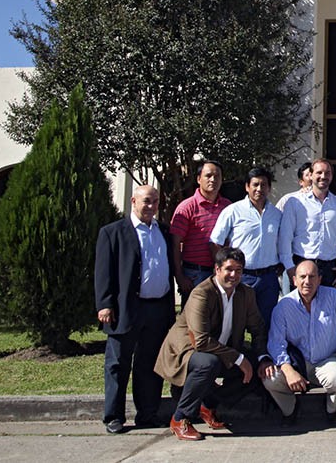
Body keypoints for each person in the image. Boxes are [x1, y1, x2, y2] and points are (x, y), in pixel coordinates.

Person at [154, 247, 267, 442]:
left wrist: (263, 359)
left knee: (259, 367)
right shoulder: (202, 293)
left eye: (238, 270)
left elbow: (258, 328)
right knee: (209, 363)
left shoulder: (246, 293)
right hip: (187, 352)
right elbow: (201, 341)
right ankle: (180, 418)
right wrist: (238, 358)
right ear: (217, 269)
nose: (234, 275)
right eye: (229, 269)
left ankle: (208, 404)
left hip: (221, 350)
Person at [94, 185, 175, 434]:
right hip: (126, 309)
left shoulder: (163, 231)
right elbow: (103, 271)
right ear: (133, 201)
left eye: (155, 202)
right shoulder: (113, 232)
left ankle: (147, 414)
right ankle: (113, 416)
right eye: (147, 201)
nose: (151, 206)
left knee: (149, 364)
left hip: (157, 308)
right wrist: (105, 304)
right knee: (118, 364)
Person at [262, 260, 336, 427]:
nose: (307, 281)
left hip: (326, 360)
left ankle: (331, 409)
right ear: (294, 280)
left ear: (319, 279)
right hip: (297, 363)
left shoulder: (333, 296)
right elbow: (276, 343)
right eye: (303, 277)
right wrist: (288, 370)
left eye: (312, 276)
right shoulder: (283, 306)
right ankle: (289, 410)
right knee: (270, 379)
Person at [210, 166, 286, 333]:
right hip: (241, 276)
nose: (259, 189)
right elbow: (215, 242)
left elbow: (282, 243)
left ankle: (261, 350)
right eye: (255, 184)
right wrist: (223, 269)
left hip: (268, 278)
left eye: (264, 185)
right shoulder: (233, 211)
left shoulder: (277, 215)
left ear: (269, 188)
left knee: (265, 324)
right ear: (247, 187)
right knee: (235, 322)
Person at [278, 158, 336, 288]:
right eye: (319, 172)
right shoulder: (295, 202)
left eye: (327, 173)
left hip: (329, 269)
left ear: (332, 176)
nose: (323, 176)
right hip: (301, 266)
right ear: (311, 175)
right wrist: (289, 267)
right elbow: (285, 237)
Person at [171, 160, 232, 306]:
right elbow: (175, 245)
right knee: (195, 317)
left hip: (220, 273)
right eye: (208, 176)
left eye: (217, 176)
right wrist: (179, 276)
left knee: (219, 316)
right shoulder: (186, 208)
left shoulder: (228, 207)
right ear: (199, 179)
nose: (213, 180)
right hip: (194, 274)